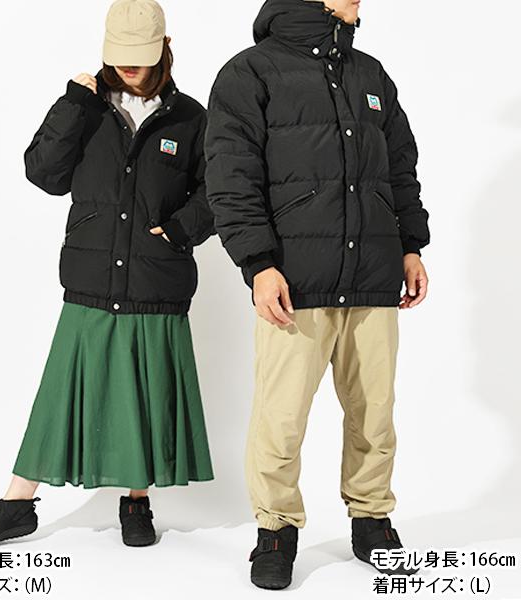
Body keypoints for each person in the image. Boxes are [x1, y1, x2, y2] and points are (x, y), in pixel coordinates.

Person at [0, 0, 214, 551]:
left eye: (140, 55)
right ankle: (16, 503)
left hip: (156, 279)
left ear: (165, 49)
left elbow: (219, 189)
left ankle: (136, 501)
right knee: (59, 398)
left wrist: (179, 229)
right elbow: (43, 173)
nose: (129, 65)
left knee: (146, 395)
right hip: (91, 276)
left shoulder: (191, 118)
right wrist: (72, 103)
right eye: (120, 54)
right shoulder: (87, 107)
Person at [205, 0, 430, 589]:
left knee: (374, 413)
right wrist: (258, 264)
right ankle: (276, 530)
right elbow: (230, 175)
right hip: (294, 281)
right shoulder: (250, 72)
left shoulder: (370, 73)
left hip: (373, 274)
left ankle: (371, 518)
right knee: (281, 418)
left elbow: (400, 167)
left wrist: (410, 245)